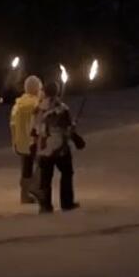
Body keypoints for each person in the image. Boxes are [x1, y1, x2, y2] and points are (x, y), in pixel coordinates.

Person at [31, 81, 84, 212]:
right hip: (60, 148)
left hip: (44, 149)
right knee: (66, 173)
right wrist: (74, 134)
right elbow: (67, 129)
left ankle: (45, 205)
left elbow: (33, 130)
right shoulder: (62, 109)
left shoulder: (37, 108)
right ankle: (66, 202)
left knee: (45, 178)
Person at [11, 75, 44, 203]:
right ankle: (35, 188)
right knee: (43, 165)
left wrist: (14, 142)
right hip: (33, 141)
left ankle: (24, 196)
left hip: (20, 142)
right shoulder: (36, 104)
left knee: (26, 169)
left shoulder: (17, 105)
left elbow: (13, 124)